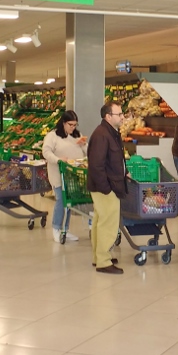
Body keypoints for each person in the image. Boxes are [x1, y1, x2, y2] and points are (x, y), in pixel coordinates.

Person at [87, 102, 128, 274]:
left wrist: (124, 173)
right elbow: (96, 165)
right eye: (119, 114)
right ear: (108, 116)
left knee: (99, 221)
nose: (122, 117)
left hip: (108, 184)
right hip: (106, 187)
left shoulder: (110, 133)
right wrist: (106, 188)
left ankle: (99, 257)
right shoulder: (102, 135)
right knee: (108, 223)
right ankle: (104, 261)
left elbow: (112, 160)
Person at [42, 111, 88, 242]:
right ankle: (56, 228)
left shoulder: (77, 136)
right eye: (70, 125)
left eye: (75, 125)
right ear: (63, 123)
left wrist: (83, 144)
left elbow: (87, 151)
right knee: (61, 201)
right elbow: (46, 151)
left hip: (74, 176)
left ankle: (65, 230)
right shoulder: (53, 136)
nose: (73, 127)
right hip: (58, 174)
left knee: (69, 202)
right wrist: (58, 160)